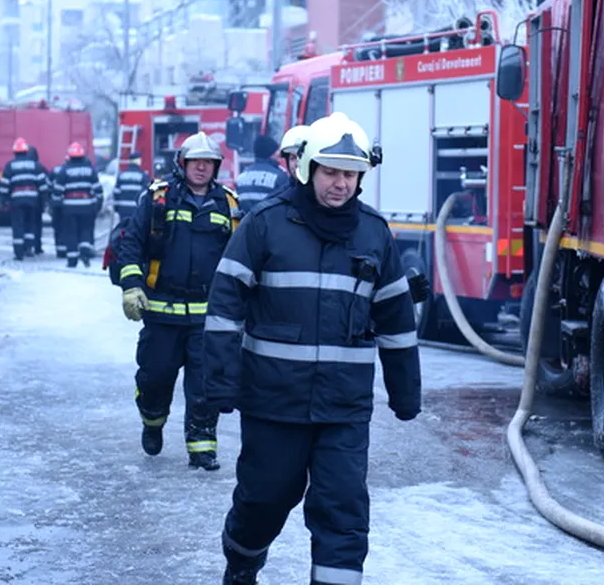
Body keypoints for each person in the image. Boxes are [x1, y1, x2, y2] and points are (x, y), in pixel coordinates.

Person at [204, 113, 422, 585]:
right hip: (272, 403)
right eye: (330, 172)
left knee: (342, 511)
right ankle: (242, 563)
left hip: (343, 409)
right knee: (264, 500)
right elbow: (225, 306)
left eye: (350, 173)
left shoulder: (374, 234)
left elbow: (398, 323)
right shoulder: (264, 225)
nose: (340, 184)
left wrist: (406, 394)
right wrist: (219, 384)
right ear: (306, 169)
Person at [115, 132, 239, 471]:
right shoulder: (157, 199)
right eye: (195, 161)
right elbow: (131, 246)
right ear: (181, 164)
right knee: (155, 379)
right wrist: (131, 285)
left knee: (204, 386)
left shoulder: (229, 205)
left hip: (206, 317)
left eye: (208, 162)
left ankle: (202, 448)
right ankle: (152, 422)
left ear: (216, 167)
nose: (201, 167)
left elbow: (241, 259)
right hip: (161, 312)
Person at [55, 141, 103, 268]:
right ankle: (85, 255)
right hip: (87, 207)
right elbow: (98, 190)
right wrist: (97, 205)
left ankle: (72, 260)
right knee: (86, 231)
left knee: (71, 233)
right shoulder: (90, 170)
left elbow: (57, 191)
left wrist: (57, 207)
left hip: (69, 208)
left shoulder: (64, 170)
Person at [0, 137, 48, 260]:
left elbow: (5, 185)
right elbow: (42, 185)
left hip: (16, 201)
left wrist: (3, 200)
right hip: (32, 201)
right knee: (30, 224)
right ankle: (28, 248)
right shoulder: (36, 166)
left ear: (15, 151)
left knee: (18, 225)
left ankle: (18, 253)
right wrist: (44, 200)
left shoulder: (10, 166)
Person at [235, 135, 289, 212]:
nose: (279, 154)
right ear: (270, 153)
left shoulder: (241, 178)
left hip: (246, 223)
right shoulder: (279, 177)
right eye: (276, 150)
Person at [112, 152, 149, 221]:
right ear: (138, 161)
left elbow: (116, 193)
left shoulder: (121, 175)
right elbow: (145, 194)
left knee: (124, 229)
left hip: (123, 210)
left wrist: (116, 208)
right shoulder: (143, 176)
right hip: (136, 210)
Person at [27, 145, 47, 255]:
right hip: (37, 202)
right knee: (37, 225)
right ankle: (37, 247)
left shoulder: (16, 166)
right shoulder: (40, 167)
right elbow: (45, 185)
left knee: (25, 224)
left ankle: (26, 247)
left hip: (20, 202)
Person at [50, 162, 68, 260]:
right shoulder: (67, 170)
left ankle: (60, 251)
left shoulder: (56, 170)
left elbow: (49, 185)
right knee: (69, 228)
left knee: (58, 227)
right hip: (68, 205)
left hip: (57, 204)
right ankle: (69, 250)